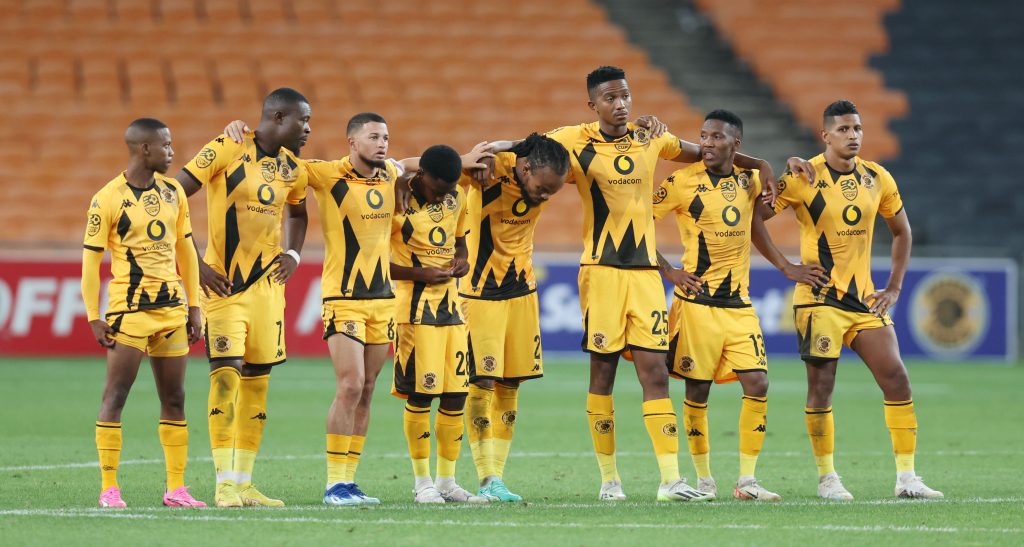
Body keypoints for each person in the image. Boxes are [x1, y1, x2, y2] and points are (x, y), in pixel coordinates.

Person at [544, 65, 808, 501]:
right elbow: (527, 149)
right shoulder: (575, 139)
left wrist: (762, 163)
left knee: (655, 375)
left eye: (625, 95)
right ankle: (610, 482)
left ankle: (671, 480)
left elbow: (705, 152)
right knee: (603, 374)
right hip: (601, 271)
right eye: (610, 98)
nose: (621, 104)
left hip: (646, 279)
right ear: (593, 105)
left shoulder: (652, 137)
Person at [221, 115, 496, 506]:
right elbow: (279, 161)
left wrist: (463, 158)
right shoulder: (327, 174)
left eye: (386, 137)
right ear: (352, 141)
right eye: (373, 136)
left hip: (382, 300)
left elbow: (414, 163)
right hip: (343, 297)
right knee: (350, 385)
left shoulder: (391, 174)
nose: (382, 143)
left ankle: (349, 482)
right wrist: (243, 134)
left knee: (366, 390)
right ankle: (334, 484)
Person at [763, 100, 943, 500]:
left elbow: (902, 231)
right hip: (819, 300)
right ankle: (827, 478)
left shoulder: (877, 177)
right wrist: (786, 266)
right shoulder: (803, 176)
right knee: (822, 386)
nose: (853, 135)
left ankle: (907, 478)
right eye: (843, 129)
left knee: (896, 378)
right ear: (825, 135)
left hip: (864, 301)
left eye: (857, 128)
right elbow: (754, 218)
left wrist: (894, 287)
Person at [653, 110, 829, 502]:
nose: (707, 143)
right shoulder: (681, 182)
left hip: (739, 305)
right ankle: (704, 479)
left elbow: (758, 221)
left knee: (758, 382)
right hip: (696, 303)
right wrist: (670, 271)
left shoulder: (749, 181)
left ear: (736, 144)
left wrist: (788, 168)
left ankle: (747, 481)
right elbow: (637, 224)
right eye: (703, 136)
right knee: (697, 390)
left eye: (717, 137)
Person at [175, 87, 311, 507]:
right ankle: (222, 484)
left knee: (257, 381)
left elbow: (299, 213)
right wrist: (196, 263)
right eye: (303, 120)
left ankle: (244, 482)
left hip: (268, 290)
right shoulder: (227, 146)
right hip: (224, 286)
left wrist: (293, 254)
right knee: (226, 375)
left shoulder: (294, 169)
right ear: (278, 117)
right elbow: (173, 195)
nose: (308, 129)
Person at [82, 118, 205, 508]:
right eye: (166, 145)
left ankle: (176, 488)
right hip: (129, 313)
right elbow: (90, 263)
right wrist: (93, 315)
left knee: (175, 398)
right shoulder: (107, 198)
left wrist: (195, 305)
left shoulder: (173, 192)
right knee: (116, 395)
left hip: (172, 312)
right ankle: (109, 488)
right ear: (144, 149)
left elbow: (186, 251)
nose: (172, 152)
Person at [460, 133, 570, 502]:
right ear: (525, 170)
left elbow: (540, 140)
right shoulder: (488, 170)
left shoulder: (537, 161)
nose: (544, 197)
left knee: (511, 384)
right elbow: (447, 168)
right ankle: (486, 476)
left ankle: (499, 478)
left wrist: (507, 143)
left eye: (551, 192)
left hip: (522, 292)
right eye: (542, 189)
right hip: (479, 293)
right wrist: (484, 151)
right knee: (481, 383)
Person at [390, 145, 487, 504]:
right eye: (437, 189)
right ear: (422, 176)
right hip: (414, 312)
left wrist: (462, 261)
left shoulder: (456, 196)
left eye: (449, 190)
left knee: (456, 395)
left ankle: (447, 481)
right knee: (422, 395)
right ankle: (423, 483)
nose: (443, 196)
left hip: (452, 309)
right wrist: (421, 274)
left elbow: (460, 242)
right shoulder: (397, 202)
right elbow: (374, 262)